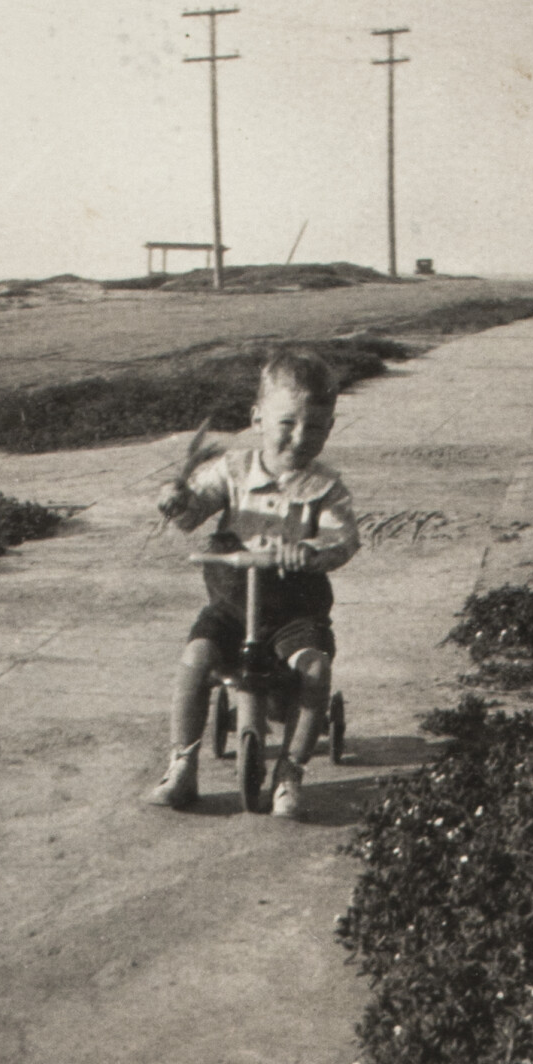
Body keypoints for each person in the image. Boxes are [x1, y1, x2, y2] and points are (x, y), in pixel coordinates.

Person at [148, 348, 360, 820]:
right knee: (196, 659)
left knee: (315, 670)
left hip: (294, 611)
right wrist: (175, 500)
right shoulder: (233, 470)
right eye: (287, 423)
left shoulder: (326, 486)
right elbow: (193, 511)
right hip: (231, 605)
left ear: (330, 427)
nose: (300, 438)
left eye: (317, 426)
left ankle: (290, 769)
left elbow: (343, 538)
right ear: (258, 418)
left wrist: (311, 550)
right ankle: (181, 763)